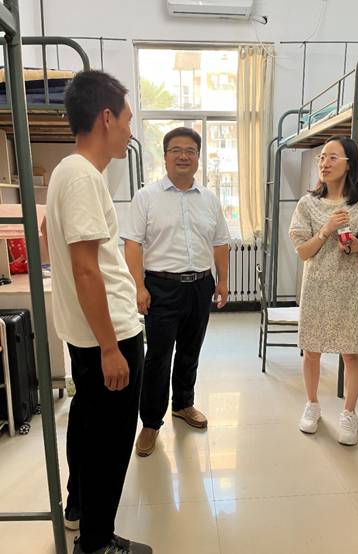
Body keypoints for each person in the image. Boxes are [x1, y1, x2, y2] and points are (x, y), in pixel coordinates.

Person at [46, 70, 152, 554]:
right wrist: (111, 348)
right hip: (109, 336)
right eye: (127, 120)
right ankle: (96, 543)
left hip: (89, 332)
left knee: (88, 428)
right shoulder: (83, 177)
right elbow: (87, 270)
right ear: (106, 118)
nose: (130, 131)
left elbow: (56, 244)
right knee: (110, 444)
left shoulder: (67, 172)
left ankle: (81, 514)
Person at [121, 127, 230, 457]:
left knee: (190, 351)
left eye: (190, 150)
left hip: (200, 285)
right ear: (165, 156)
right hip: (161, 287)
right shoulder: (146, 197)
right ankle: (151, 422)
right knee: (158, 357)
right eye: (176, 150)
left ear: (198, 157)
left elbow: (220, 243)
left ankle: (183, 404)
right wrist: (138, 286)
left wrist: (222, 281)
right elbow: (132, 244)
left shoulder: (209, 200)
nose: (184, 156)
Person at [288, 135, 358, 446]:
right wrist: (326, 230)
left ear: (349, 163)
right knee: (312, 351)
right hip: (316, 287)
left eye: (332, 157)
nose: (324, 163)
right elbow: (303, 252)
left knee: (352, 354)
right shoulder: (307, 204)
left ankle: (349, 413)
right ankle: (312, 404)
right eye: (322, 157)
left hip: (350, 288)